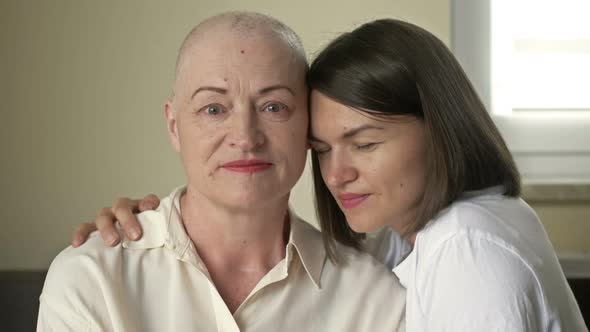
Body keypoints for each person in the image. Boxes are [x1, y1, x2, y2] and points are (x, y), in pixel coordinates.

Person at [78, 18, 589, 331]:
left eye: (364, 144)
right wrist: (152, 224)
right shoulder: (413, 237)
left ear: (441, 127)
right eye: (322, 150)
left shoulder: (466, 246)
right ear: (174, 124)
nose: (337, 174)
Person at [38, 12, 407, 332]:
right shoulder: (91, 278)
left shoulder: (373, 298)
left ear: (309, 127)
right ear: (173, 127)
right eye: (214, 109)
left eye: (274, 107)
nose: (245, 137)